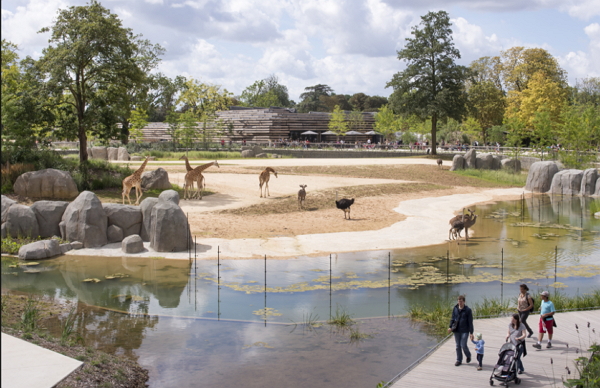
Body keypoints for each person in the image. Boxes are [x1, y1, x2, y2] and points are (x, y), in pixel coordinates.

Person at [448, 295, 474, 366]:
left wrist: (471, 333)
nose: (460, 303)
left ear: (464, 302)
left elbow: (470, 322)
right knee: (457, 346)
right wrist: (450, 327)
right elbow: (453, 319)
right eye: (459, 301)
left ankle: (468, 355)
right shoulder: (455, 308)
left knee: (463, 345)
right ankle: (459, 360)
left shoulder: (468, 310)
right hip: (456, 330)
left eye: (461, 302)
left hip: (465, 330)